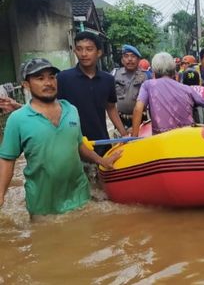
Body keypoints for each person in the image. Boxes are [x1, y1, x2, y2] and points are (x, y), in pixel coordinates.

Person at [0, 58, 121, 215]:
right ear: (26, 84)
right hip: (43, 204)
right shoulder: (17, 119)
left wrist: (102, 161)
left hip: (80, 197)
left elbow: (79, 145)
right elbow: (8, 160)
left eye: (52, 77)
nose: (48, 82)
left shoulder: (71, 110)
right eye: (40, 78)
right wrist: (1, 194)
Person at [57, 32, 128, 156]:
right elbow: (52, 108)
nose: (84, 54)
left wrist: (124, 134)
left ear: (99, 53)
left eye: (89, 49)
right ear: (75, 51)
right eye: (79, 49)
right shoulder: (63, 78)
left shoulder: (107, 80)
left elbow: (111, 108)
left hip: (101, 142)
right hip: (73, 145)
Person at [131, 52, 204, 136]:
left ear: (154, 70)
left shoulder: (148, 85)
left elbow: (138, 109)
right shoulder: (187, 89)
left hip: (161, 139)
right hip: (187, 136)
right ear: (173, 69)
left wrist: (134, 137)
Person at [113, 45, 148, 128]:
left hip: (141, 120)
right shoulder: (115, 75)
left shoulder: (145, 76)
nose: (129, 59)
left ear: (138, 60)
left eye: (133, 56)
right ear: (122, 60)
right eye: (126, 56)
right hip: (121, 120)